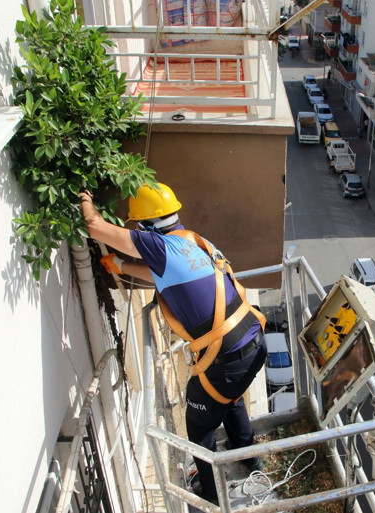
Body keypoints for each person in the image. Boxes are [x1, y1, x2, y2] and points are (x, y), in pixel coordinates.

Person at [80, 183, 267, 504]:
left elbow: (95, 226)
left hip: (226, 358)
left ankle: (213, 498)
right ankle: (250, 459)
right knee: (229, 398)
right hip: (252, 341)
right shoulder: (193, 241)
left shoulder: (159, 246)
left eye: (137, 225)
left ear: (146, 226)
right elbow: (163, 275)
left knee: (199, 430)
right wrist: (122, 266)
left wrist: (83, 195)